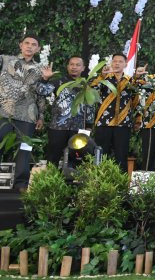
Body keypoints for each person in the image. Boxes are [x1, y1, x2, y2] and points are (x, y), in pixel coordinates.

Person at [0, 34, 51, 190]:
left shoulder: (41, 69)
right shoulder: (4, 60)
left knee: (25, 149)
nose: (29, 46)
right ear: (20, 45)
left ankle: (21, 184)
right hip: (3, 112)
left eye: (33, 44)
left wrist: (45, 80)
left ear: (38, 49)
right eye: (26, 43)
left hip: (27, 115)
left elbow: (42, 94)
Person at [35, 56, 92, 167]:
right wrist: (45, 79)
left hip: (78, 128)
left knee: (77, 158)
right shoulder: (58, 82)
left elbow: (90, 106)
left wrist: (89, 125)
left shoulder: (86, 85)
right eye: (71, 64)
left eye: (77, 65)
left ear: (83, 68)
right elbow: (41, 92)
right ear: (67, 66)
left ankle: (73, 183)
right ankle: (51, 181)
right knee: (53, 157)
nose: (74, 67)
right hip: (58, 127)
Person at [92, 53, 142, 173]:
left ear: (125, 64)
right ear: (111, 63)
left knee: (121, 155)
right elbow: (92, 93)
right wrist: (101, 76)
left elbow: (136, 102)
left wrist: (138, 120)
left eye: (120, 61)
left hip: (123, 124)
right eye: (114, 61)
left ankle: (121, 184)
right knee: (101, 155)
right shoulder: (104, 79)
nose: (117, 63)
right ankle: (97, 182)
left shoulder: (131, 81)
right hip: (104, 123)